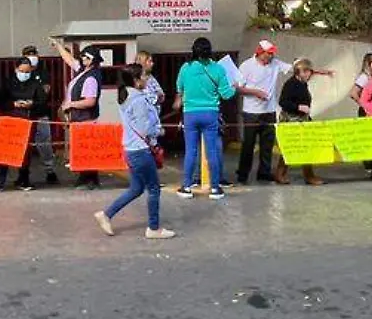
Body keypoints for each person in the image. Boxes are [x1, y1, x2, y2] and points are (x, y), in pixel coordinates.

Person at [94, 64, 174, 239]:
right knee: (153, 189)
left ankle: (106, 214)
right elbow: (145, 128)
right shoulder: (138, 100)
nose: (147, 79)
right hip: (141, 150)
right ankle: (154, 228)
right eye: (144, 76)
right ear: (136, 81)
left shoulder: (126, 96)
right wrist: (159, 131)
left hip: (130, 149)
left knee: (136, 188)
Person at [176, 37, 237, 199]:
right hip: (211, 113)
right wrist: (235, 87)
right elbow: (226, 94)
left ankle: (187, 187)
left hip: (190, 113)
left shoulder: (185, 68)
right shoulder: (218, 69)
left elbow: (179, 89)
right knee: (212, 151)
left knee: (191, 151)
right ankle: (215, 188)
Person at [234, 40, 290, 185]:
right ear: (260, 52)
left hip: (269, 111)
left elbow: (293, 68)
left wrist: (318, 71)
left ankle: (264, 172)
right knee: (248, 144)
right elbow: (238, 88)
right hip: (251, 112)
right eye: (268, 53)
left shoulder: (275, 63)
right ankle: (243, 173)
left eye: (272, 54)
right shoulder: (246, 66)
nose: (270, 57)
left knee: (267, 144)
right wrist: (255, 92)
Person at [58, 43, 107, 189]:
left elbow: (90, 101)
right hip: (80, 119)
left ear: (91, 60)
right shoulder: (84, 71)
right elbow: (70, 60)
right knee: (83, 149)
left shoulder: (91, 78)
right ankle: (87, 178)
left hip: (85, 119)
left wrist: (70, 105)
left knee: (86, 150)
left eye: (84, 57)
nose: (81, 60)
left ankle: (88, 179)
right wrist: (58, 46)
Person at [2, 51, 51, 191]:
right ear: (16, 69)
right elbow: (1, 101)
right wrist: (14, 104)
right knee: (8, 149)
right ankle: (0, 180)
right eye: (22, 71)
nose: (24, 74)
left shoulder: (35, 84)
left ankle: (24, 178)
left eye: (27, 71)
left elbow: (42, 102)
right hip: (12, 119)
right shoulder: (8, 82)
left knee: (26, 151)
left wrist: (31, 104)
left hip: (28, 119)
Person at [274, 59, 326, 186]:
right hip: (291, 119)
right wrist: (298, 107)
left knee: (306, 147)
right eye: (307, 72)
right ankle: (281, 174)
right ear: (300, 72)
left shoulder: (302, 82)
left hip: (302, 119)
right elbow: (283, 102)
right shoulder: (291, 84)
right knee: (290, 147)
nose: (310, 74)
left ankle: (308, 175)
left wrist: (325, 72)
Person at [19, 45, 61, 185]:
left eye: (33, 53)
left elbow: (45, 91)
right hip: (24, 115)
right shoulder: (21, 72)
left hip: (41, 113)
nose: (31, 56)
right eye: (28, 54)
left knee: (44, 144)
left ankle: (50, 170)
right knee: (23, 145)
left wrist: (34, 97)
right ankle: (23, 174)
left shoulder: (43, 72)